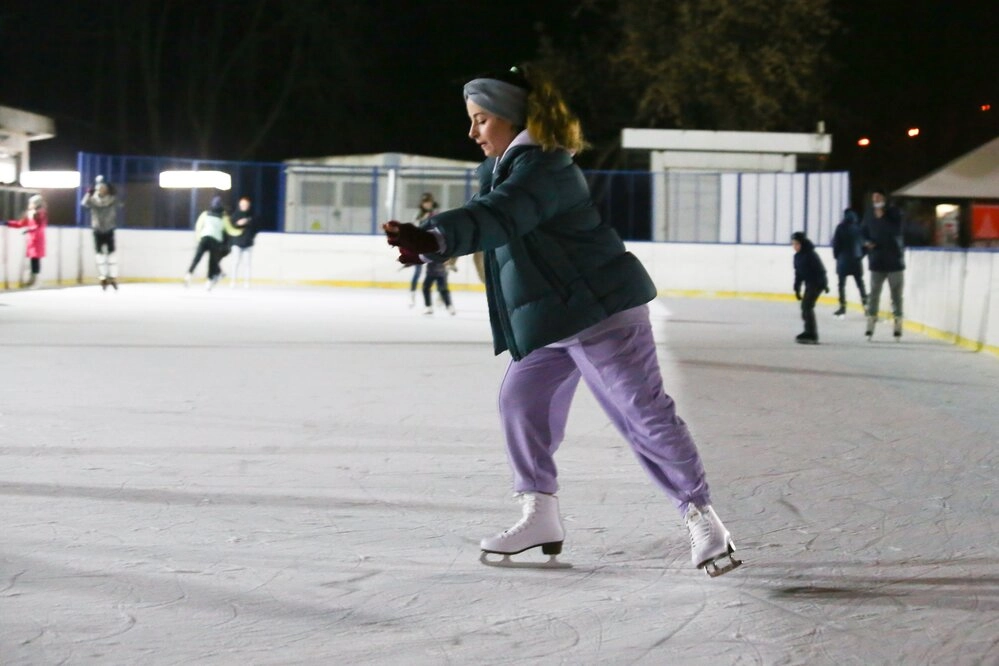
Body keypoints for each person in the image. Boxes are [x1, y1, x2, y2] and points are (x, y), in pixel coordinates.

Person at [383, 64, 740, 577]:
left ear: (510, 117)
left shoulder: (544, 167)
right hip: (552, 322)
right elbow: (493, 221)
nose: (472, 132)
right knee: (519, 403)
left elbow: (504, 215)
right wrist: (427, 247)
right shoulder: (506, 170)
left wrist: (435, 235)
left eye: (481, 120)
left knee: (641, 412)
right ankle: (540, 514)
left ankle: (701, 514)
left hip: (600, 311)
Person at [862, 189, 906, 340]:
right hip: (877, 261)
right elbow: (863, 231)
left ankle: (898, 322)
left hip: (894, 262)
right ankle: (871, 322)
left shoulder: (894, 213)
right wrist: (866, 242)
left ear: (884, 198)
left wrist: (883, 217)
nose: (876, 200)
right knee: (874, 294)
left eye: (878, 197)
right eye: (874, 198)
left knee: (896, 295)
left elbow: (896, 230)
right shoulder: (869, 214)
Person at [81, 175, 119, 290]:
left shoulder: (111, 199)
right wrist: (88, 193)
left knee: (111, 255)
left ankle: (112, 276)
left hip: (109, 228)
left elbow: (119, 202)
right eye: (100, 188)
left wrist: (113, 191)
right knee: (100, 254)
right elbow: (83, 204)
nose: (102, 190)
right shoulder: (93, 200)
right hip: (97, 229)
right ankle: (103, 276)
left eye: (104, 188)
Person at [791, 231, 829, 344]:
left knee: (807, 306)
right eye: (793, 244)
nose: (795, 246)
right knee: (805, 307)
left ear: (802, 243)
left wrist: (824, 284)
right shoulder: (797, 257)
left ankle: (812, 334)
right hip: (810, 283)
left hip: (817, 283)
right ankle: (808, 330)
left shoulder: (811, 255)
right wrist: (797, 288)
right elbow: (798, 274)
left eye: (797, 244)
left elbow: (821, 270)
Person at [184, 195, 228, 290]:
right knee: (212, 262)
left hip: (205, 238)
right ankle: (209, 281)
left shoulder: (205, 214)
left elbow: (198, 226)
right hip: (215, 241)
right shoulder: (223, 217)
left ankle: (189, 274)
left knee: (197, 258)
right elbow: (229, 229)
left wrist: (198, 238)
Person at [831, 208, 867, 317]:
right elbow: (864, 245)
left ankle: (842, 307)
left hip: (843, 260)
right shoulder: (858, 228)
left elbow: (836, 244)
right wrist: (860, 256)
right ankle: (866, 305)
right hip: (856, 260)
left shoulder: (840, 228)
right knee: (860, 284)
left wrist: (837, 256)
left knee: (841, 285)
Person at [7, 194, 47, 289]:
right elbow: (20, 223)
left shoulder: (40, 213)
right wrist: (8, 223)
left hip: (37, 240)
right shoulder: (30, 213)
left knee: (35, 260)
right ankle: (32, 280)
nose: (30, 204)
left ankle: (37, 281)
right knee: (33, 260)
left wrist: (30, 230)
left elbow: (40, 227)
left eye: (32, 203)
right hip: (31, 241)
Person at [408, 192, 439, 307]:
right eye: (425, 202)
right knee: (417, 272)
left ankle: (439, 296)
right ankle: (412, 296)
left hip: (433, 246)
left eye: (429, 202)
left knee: (436, 272)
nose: (427, 204)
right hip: (420, 247)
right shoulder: (418, 215)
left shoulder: (435, 214)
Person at [228, 196, 257, 288]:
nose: (244, 206)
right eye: (242, 204)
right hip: (236, 243)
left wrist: (247, 221)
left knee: (247, 263)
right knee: (235, 262)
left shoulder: (252, 216)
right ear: (239, 205)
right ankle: (233, 281)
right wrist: (238, 224)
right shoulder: (235, 216)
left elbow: (255, 226)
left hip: (248, 244)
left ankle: (247, 282)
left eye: (246, 205)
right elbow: (231, 227)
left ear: (248, 206)